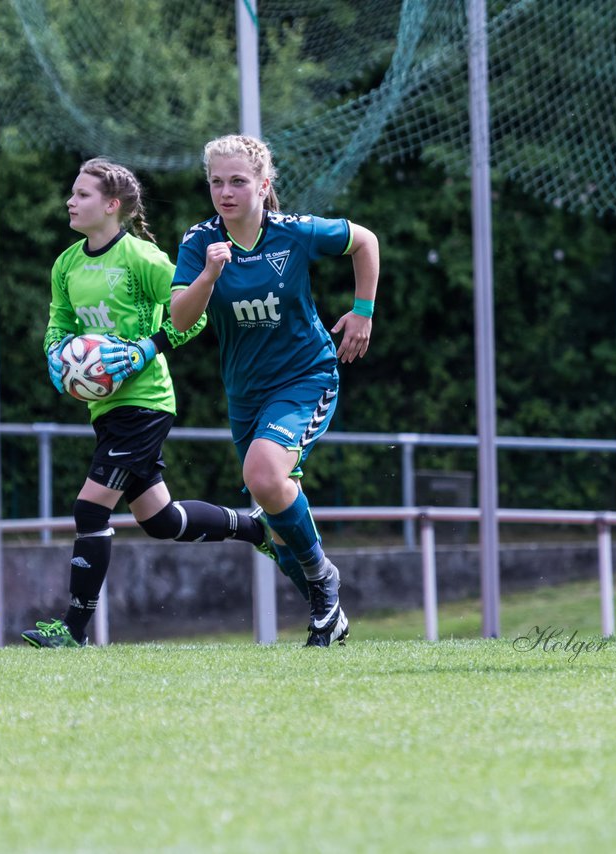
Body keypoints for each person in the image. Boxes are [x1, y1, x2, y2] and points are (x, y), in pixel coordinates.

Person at [21, 158, 285, 649]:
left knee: (89, 509)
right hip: (106, 409)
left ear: (112, 205)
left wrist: (147, 348)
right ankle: (255, 528)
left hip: (144, 403)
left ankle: (73, 631)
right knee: (161, 520)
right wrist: (58, 358)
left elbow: (195, 317)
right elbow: (59, 327)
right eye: (72, 193)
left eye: (82, 194)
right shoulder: (66, 264)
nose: (70, 201)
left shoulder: (141, 258)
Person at [170, 135, 380, 647]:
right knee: (279, 517)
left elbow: (365, 241)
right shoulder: (200, 243)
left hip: (306, 377)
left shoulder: (296, 233)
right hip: (245, 395)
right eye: (216, 182)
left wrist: (363, 311)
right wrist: (210, 274)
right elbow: (180, 318)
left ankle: (325, 581)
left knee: (263, 475)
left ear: (264, 186)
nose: (225, 192)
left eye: (238, 181)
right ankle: (325, 612)